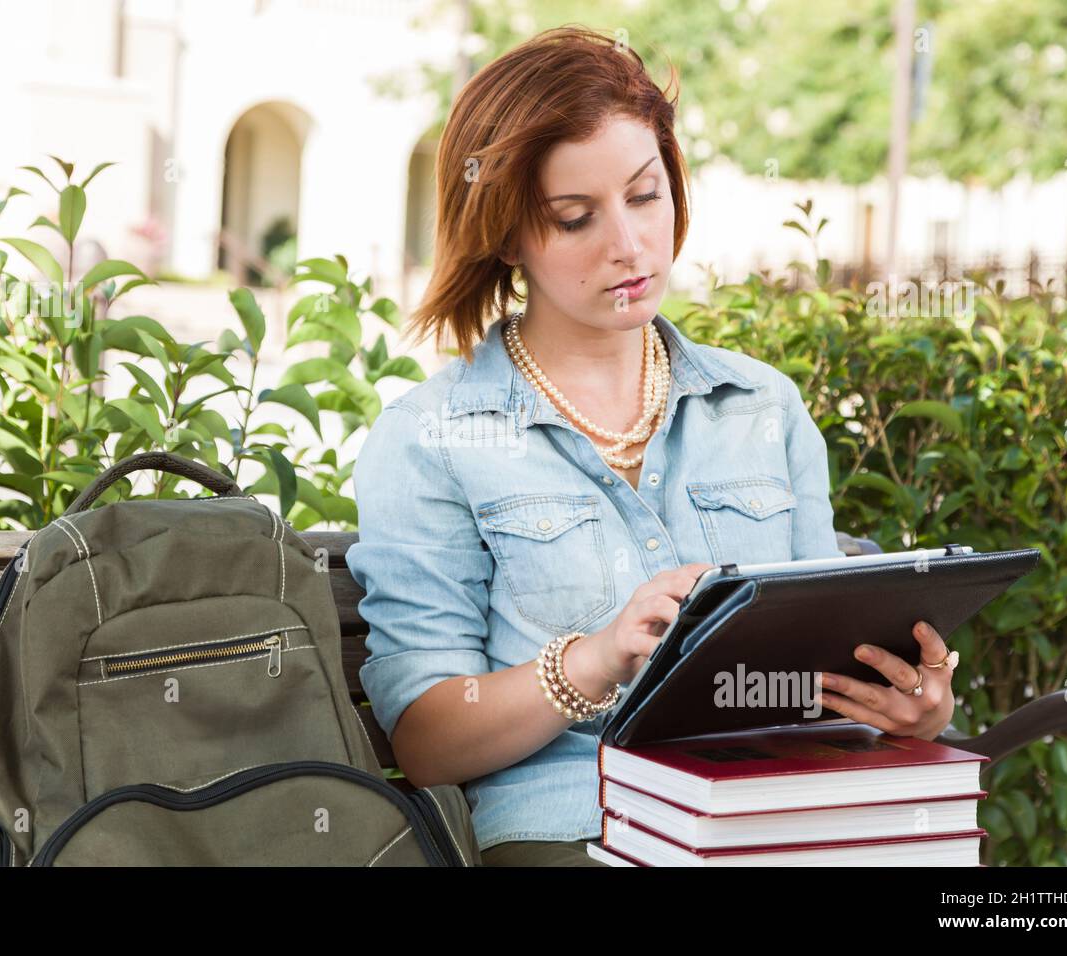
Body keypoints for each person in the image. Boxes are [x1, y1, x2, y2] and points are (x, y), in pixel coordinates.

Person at [344, 25, 957, 867]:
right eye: (574, 217)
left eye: (645, 194)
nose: (629, 245)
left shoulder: (762, 406)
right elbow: (427, 742)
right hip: (577, 827)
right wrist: (592, 662)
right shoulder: (431, 437)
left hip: (782, 817)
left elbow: (828, 677)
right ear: (507, 234)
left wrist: (906, 707)